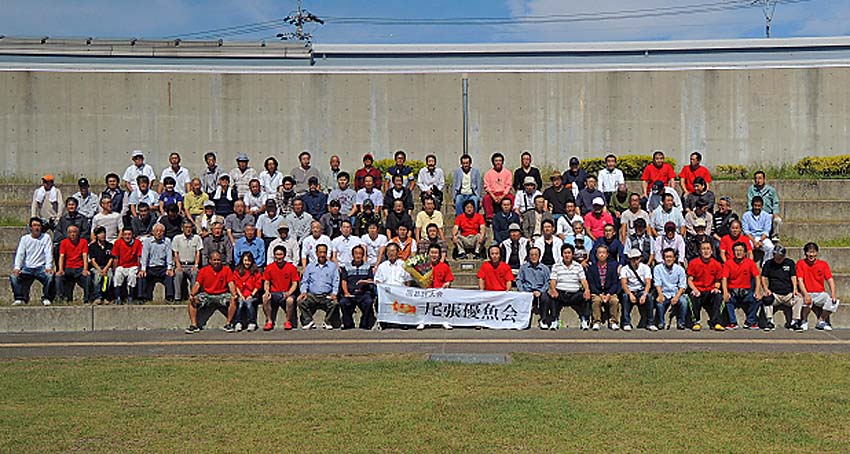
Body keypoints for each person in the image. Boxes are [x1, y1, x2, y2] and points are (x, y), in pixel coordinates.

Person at [185, 251, 238, 334]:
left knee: (233, 300)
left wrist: (234, 294)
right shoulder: (203, 270)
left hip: (222, 294)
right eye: (214, 260)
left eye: (218, 260)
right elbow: (197, 284)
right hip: (207, 294)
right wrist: (192, 294)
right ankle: (194, 325)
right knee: (193, 300)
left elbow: (231, 284)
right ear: (210, 261)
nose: (217, 262)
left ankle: (228, 324)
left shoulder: (226, 270)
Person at [541, 244, 590, 330]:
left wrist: (587, 290)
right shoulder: (556, 266)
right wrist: (553, 289)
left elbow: (583, 280)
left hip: (574, 293)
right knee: (552, 295)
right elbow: (553, 280)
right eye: (565, 253)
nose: (567, 255)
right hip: (561, 292)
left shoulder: (578, 266)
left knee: (585, 296)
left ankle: (584, 320)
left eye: (569, 253)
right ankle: (554, 320)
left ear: (572, 254)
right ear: (562, 254)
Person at [10, 217, 54, 306]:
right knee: (13, 276)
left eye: (38, 225)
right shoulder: (25, 238)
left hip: (41, 267)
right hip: (27, 267)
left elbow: (48, 253)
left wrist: (48, 267)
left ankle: (46, 298)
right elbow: (20, 253)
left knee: (50, 276)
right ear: (30, 227)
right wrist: (17, 267)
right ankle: (19, 298)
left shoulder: (46, 237)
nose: (36, 228)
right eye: (34, 225)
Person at [796, 242, 838, 331]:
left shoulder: (823, 264)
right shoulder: (800, 263)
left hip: (820, 293)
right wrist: (805, 294)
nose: (811, 255)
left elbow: (830, 280)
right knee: (806, 301)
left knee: (833, 302)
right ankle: (804, 321)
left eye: (813, 252)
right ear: (805, 253)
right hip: (806, 292)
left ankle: (821, 321)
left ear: (817, 253)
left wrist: (833, 294)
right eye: (809, 252)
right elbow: (800, 280)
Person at [298, 244, 341, 330]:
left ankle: (327, 321)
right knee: (301, 301)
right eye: (320, 252)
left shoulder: (333, 266)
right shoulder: (310, 266)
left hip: (327, 295)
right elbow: (305, 281)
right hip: (312, 295)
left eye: (324, 252)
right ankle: (309, 321)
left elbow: (336, 281)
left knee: (334, 303)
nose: (322, 254)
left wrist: (334, 293)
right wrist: (304, 292)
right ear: (316, 253)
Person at [722, 242, 763, 330]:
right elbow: (724, 279)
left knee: (757, 299)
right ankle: (733, 322)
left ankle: (750, 321)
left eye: (741, 250)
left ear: (745, 252)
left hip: (746, 292)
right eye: (736, 250)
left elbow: (757, 277)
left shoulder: (750, 263)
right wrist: (725, 292)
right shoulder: (728, 263)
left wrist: (757, 291)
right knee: (727, 299)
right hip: (733, 292)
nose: (738, 252)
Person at [760, 245, 801, 331]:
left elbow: (793, 276)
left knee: (799, 299)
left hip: (788, 294)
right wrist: (766, 289)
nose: (778, 259)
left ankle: (795, 322)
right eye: (776, 257)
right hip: (775, 294)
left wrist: (795, 289)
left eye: (780, 257)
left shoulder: (789, 263)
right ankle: (769, 321)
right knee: (766, 299)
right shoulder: (768, 263)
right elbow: (763, 277)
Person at [687, 241, 724, 331]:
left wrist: (716, 288)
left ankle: (716, 322)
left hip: (710, 290)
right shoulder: (693, 263)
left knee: (719, 296)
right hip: (698, 290)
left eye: (708, 249)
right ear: (700, 251)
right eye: (703, 249)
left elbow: (718, 280)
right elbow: (689, 280)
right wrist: (694, 289)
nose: (706, 251)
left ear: (711, 251)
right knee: (692, 297)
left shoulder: (717, 264)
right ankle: (696, 322)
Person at [262, 245, 300, 331]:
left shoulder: (291, 268)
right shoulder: (269, 267)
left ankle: (288, 321)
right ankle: (269, 321)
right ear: (274, 255)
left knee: (290, 300)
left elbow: (294, 283)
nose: (279, 257)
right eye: (277, 254)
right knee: (265, 297)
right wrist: (267, 291)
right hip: (274, 293)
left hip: (286, 292)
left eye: (281, 254)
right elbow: (266, 282)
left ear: (285, 255)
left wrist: (289, 293)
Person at [340, 245, 377, 330]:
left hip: (363, 293)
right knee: (343, 302)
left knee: (368, 301)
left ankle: (364, 323)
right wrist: (346, 292)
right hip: (351, 293)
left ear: (363, 255)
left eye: (360, 254)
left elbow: (371, 279)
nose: (358, 256)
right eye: (356, 253)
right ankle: (348, 323)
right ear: (352, 255)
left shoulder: (368, 266)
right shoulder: (346, 267)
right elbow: (344, 281)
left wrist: (364, 282)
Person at [587, 245, 621, 331]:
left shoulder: (612, 268)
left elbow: (615, 283)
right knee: (596, 300)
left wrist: (609, 294)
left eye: (603, 253)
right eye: (599, 253)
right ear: (596, 255)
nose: (601, 255)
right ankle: (596, 322)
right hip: (597, 292)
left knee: (614, 300)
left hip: (609, 291)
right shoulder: (591, 268)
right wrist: (600, 294)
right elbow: (591, 284)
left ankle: (613, 322)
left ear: (607, 255)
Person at [653, 248, 688, 331]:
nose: (668, 259)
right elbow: (657, 283)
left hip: (676, 293)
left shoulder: (680, 269)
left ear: (674, 258)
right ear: (663, 258)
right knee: (659, 302)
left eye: (670, 257)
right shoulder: (658, 268)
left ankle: (681, 322)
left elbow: (682, 285)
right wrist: (660, 295)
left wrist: (677, 297)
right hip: (664, 292)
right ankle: (661, 322)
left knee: (683, 301)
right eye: (666, 257)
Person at [139, 223, 175, 303]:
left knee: (169, 276)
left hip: (162, 267)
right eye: (157, 231)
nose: (159, 233)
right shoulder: (147, 241)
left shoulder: (167, 241)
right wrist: (143, 269)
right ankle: (142, 297)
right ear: (153, 232)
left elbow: (169, 255)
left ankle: (169, 297)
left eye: (161, 231)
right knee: (142, 276)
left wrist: (169, 268)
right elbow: (145, 255)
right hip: (150, 267)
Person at [619, 248, 653, 331]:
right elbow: (623, 283)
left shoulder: (645, 268)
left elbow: (648, 283)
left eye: (637, 258)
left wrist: (644, 295)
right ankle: (626, 323)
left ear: (640, 258)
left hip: (641, 290)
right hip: (630, 290)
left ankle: (650, 323)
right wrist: (630, 294)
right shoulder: (625, 269)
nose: (635, 261)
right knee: (625, 297)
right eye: (632, 259)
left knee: (649, 297)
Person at [56, 225, 90, 303]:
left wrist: (85, 269)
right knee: (58, 277)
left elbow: (85, 256)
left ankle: (87, 299)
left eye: (74, 232)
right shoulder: (64, 242)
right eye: (70, 232)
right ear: (67, 234)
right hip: (68, 268)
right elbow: (61, 257)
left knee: (88, 277)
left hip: (79, 268)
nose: (72, 234)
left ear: (78, 233)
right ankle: (60, 298)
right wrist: (60, 270)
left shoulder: (83, 242)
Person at [517, 247, 549, 329]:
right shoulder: (523, 268)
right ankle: (521, 320)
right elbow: (519, 280)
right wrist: (522, 291)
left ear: (539, 256)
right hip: (527, 291)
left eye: (536, 255)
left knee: (545, 297)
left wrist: (540, 291)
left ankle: (543, 320)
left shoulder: (545, 268)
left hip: (540, 291)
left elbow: (548, 282)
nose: (534, 257)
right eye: (531, 255)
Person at [172, 220, 203, 302]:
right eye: (186, 227)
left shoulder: (197, 238)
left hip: (192, 264)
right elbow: (175, 253)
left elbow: (198, 253)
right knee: (178, 274)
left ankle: (193, 296)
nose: (188, 229)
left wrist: (196, 265)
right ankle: (177, 298)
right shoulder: (177, 238)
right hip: (181, 264)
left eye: (190, 227)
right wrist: (178, 265)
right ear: (182, 228)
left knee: (195, 273)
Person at [232, 251, 263, 332]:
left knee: (249, 303)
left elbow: (258, 285)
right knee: (240, 303)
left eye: (249, 261)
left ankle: (252, 322)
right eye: (245, 260)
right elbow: (236, 285)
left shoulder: (256, 272)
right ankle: (238, 322)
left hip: (253, 295)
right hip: (241, 294)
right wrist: (241, 296)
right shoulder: (237, 271)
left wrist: (251, 295)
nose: (247, 263)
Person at [112, 227, 142, 305]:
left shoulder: (137, 243)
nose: (127, 236)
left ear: (132, 235)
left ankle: (130, 296)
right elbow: (116, 258)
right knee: (117, 275)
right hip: (121, 266)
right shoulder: (118, 243)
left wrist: (139, 270)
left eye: (129, 234)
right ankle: (118, 297)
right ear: (122, 235)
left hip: (133, 265)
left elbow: (139, 257)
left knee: (132, 276)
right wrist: (114, 269)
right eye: (125, 234)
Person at [747, 171, 781, 238]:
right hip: (756, 213)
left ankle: (774, 236)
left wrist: (775, 213)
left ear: (764, 179)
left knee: (777, 220)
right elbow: (749, 202)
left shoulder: (771, 190)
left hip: (768, 213)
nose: (758, 180)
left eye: (760, 178)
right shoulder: (751, 189)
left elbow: (775, 203)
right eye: (756, 179)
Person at [482, 152, 515, 222]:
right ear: (493, 162)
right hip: (493, 193)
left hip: (504, 193)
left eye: (500, 161)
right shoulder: (488, 173)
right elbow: (487, 186)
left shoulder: (508, 173)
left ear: (502, 162)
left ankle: (511, 215)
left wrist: (502, 196)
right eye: (496, 161)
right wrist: (493, 196)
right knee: (486, 198)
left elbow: (509, 186)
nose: (498, 162)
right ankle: (489, 217)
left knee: (511, 197)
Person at [742, 195, 774, 264]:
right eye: (755, 205)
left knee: (770, 247)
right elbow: (746, 231)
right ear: (752, 205)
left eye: (759, 206)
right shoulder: (746, 215)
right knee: (745, 247)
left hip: (762, 238)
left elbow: (766, 231)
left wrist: (760, 241)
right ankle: (747, 264)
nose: (757, 208)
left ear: (762, 206)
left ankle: (766, 264)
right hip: (750, 238)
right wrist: (754, 241)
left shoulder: (767, 216)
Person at [88, 226, 114, 305]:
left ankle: (106, 296)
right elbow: (92, 261)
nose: (102, 235)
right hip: (96, 267)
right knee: (97, 276)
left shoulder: (109, 245)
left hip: (106, 267)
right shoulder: (92, 247)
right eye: (100, 233)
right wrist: (100, 270)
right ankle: (97, 297)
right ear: (96, 235)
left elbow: (111, 259)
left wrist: (105, 269)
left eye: (103, 233)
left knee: (109, 276)